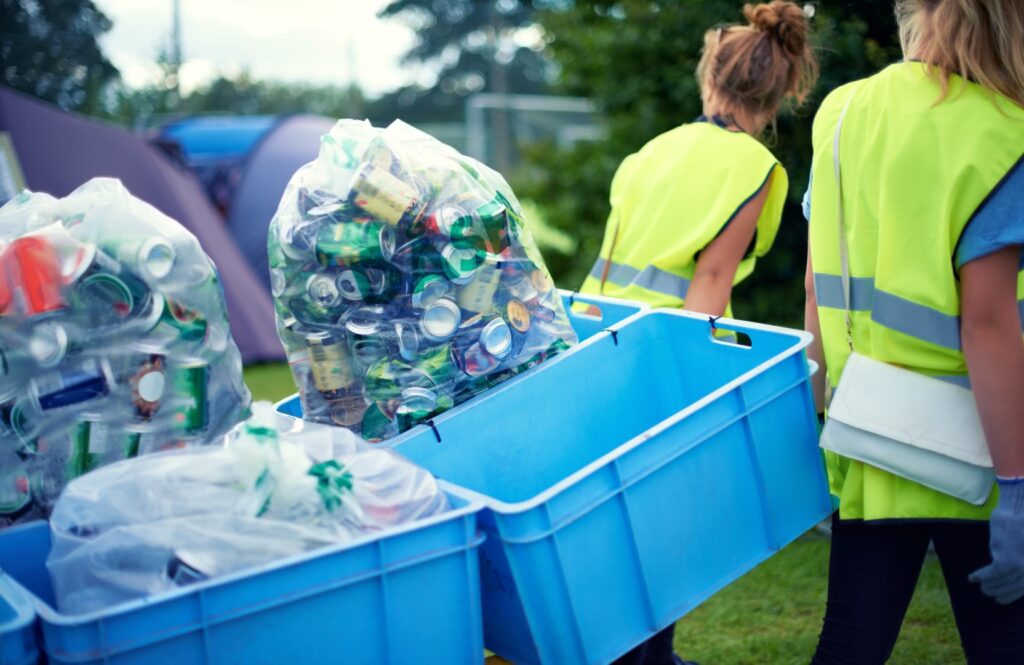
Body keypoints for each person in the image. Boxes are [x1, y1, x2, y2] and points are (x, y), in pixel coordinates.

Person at [579, 2, 819, 663]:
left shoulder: (652, 150)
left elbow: (611, 261)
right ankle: (648, 657)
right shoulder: (756, 169)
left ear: (711, 77)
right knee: (660, 522)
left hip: (592, 346)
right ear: (782, 91)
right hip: (661, 356)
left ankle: (642, 654)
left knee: (610, 522)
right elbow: (711, 282)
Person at [804, 1, 1024, 662]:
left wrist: (813, 416)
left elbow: (817, 283)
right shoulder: (1005, 131)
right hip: (980, 450)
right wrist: (1017, 487)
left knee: (849, 642)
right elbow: (987, 325)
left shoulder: (841, 111)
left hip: (868, 433)